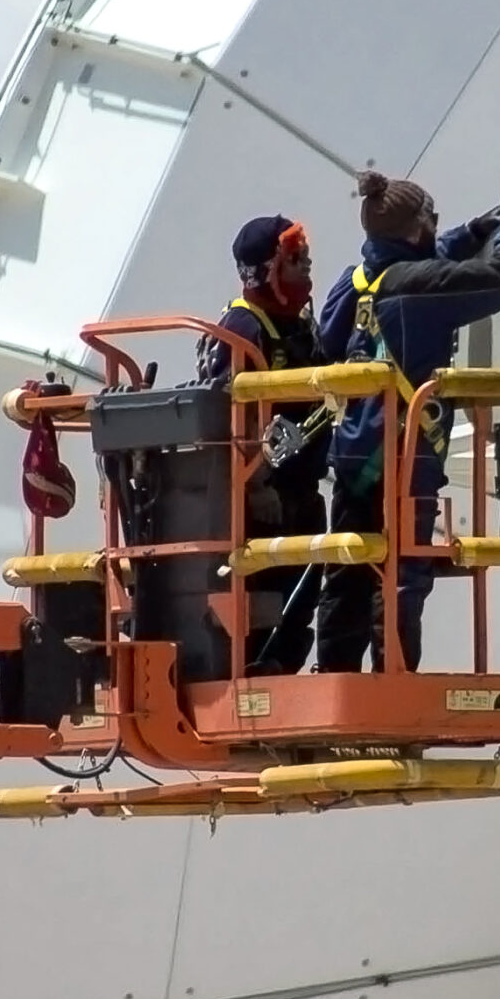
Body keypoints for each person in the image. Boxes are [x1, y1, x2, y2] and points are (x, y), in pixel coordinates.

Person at [313, 172, 500, 674]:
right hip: (403, 456)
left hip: (353, 451)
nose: (436, 229)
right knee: (400, 574)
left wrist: (479, 227)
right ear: (416, 229)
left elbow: (330, 342)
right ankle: (392, 687)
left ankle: (335, 681)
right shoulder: (417, 291)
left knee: (348, 566)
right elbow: (499, 276)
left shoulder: (356, 282)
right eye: (431, 221)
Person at [196, 214, 327, 675]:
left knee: (304, 590)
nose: (307, 266)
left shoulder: (299, 324)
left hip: (301, 492)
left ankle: (277, 670)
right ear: (267, 270)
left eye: (307, 257)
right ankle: (250, 670)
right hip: (257, 501)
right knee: (260, 599)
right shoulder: (241, 329)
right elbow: (217, 420)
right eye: (295, 259)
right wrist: (254, 486)